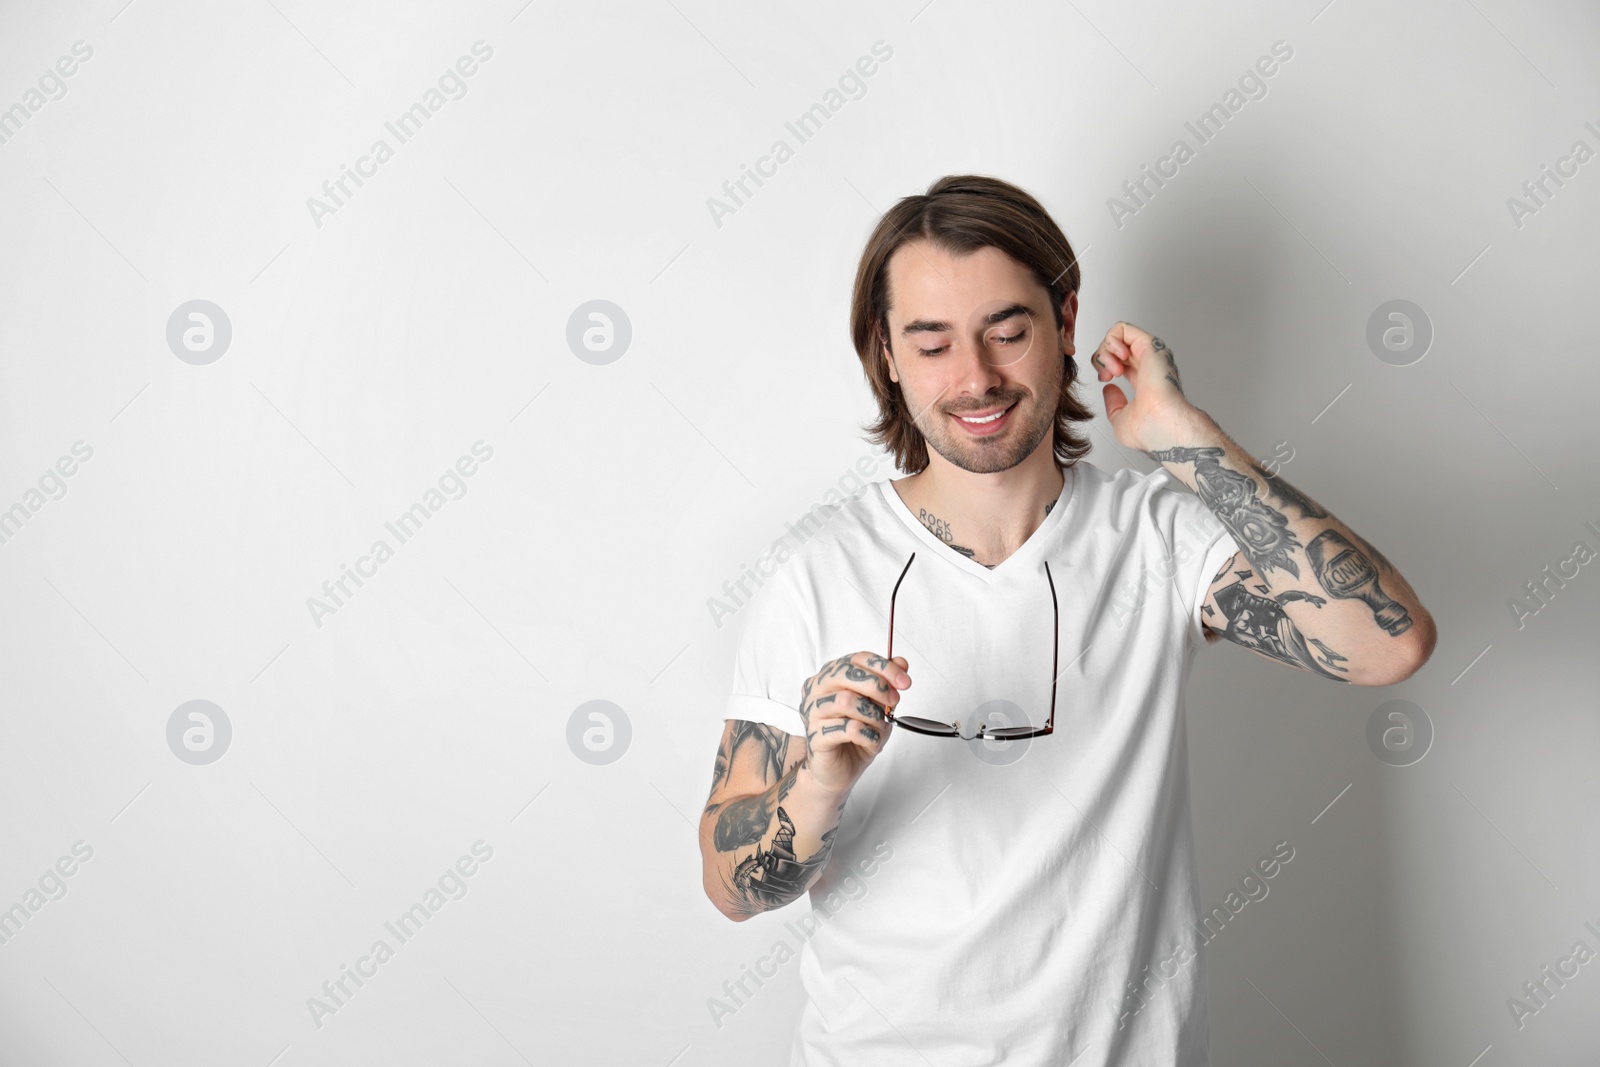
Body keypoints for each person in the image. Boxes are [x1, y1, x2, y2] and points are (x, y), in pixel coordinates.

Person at [698, 174, 1436, 1066]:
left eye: (1008, 332)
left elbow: (1389, 643)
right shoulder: (818, 567)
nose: (976, 377)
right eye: (931, 344)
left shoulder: (1156, 537)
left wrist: (1182, 437)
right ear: (885, 355)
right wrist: (818, 782)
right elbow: (729, 887)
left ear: (1066, 325)